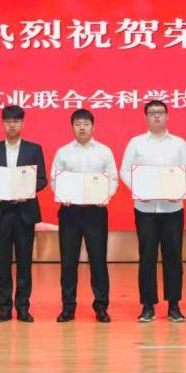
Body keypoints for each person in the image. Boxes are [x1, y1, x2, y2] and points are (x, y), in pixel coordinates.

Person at [119, 99, 186, 323]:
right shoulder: (136, 143)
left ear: (167, 116)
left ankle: (174, 305)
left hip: (172, 208)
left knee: (173, 257)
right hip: (145, 209)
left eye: (160, 112)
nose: (157, 116)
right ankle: (147, 306)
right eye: (152, 113)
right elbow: (125, 170)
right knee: (147, 257)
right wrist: (138, 189)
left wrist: (180, 190)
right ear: (146, 117)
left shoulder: (179, 144)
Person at [49, 109, 117, 323]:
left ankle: (101, 307)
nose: (82, 128)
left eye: (86, 124)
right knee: (68, 262)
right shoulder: (63, 152)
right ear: (72, 127)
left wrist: (105, 196)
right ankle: (68, 307)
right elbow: (54, 179)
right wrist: (62, 195)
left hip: (96, 211)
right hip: (70, 212)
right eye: (78, 124)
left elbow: (112, 179)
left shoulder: (104, 152)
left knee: (98, 260)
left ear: (93, 126)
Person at [0, 105, 47, 322]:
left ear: (23, 123)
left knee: (24, 263)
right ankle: (4, 308)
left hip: (24, 213)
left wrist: (27, 190)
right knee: (2, 264)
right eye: (8, 121)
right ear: (3, 123)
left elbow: (42, 179)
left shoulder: (33, 149)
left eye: (16, 121)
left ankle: (23, 308)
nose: (12, 125)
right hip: (0, 213)